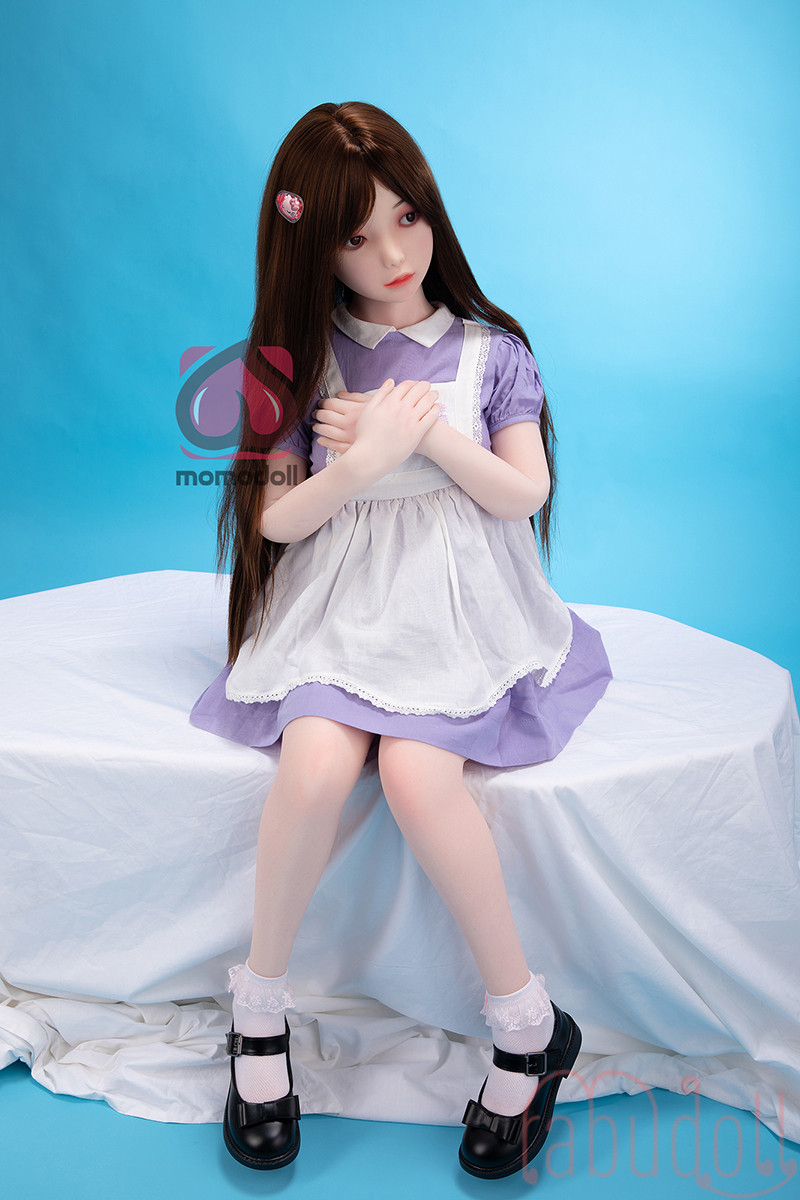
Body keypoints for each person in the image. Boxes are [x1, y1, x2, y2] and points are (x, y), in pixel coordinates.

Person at [189, 100, 613, 1178]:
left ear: (431, 213)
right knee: (316, 764)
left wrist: (416, 439)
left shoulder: (488, 353)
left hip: (459, 615)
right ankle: (257, 1010)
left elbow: (521, 493)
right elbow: (277, 521)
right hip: (340, 610)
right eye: (355, 235)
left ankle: (528, 1027)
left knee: (423, 779)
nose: (389, 254)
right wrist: (366, 467)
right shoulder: (300, 359)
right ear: (311, 247)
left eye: (405, 220)